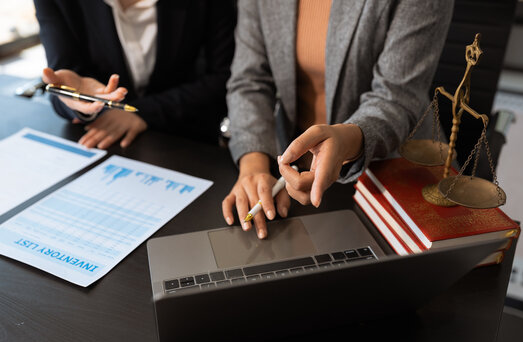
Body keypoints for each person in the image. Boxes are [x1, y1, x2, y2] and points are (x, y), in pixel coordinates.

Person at [222, 0, 454, 239]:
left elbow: (397, 96)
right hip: (294, 171)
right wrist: (253, 166)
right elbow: (249, 80)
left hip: (390, 174)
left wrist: (348, 140)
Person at [34, 0, 236, 149]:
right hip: (104, 138)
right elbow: (62, 79)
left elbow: (225, 77)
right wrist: (81, 102)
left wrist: (142, 111)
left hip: (186, 137)